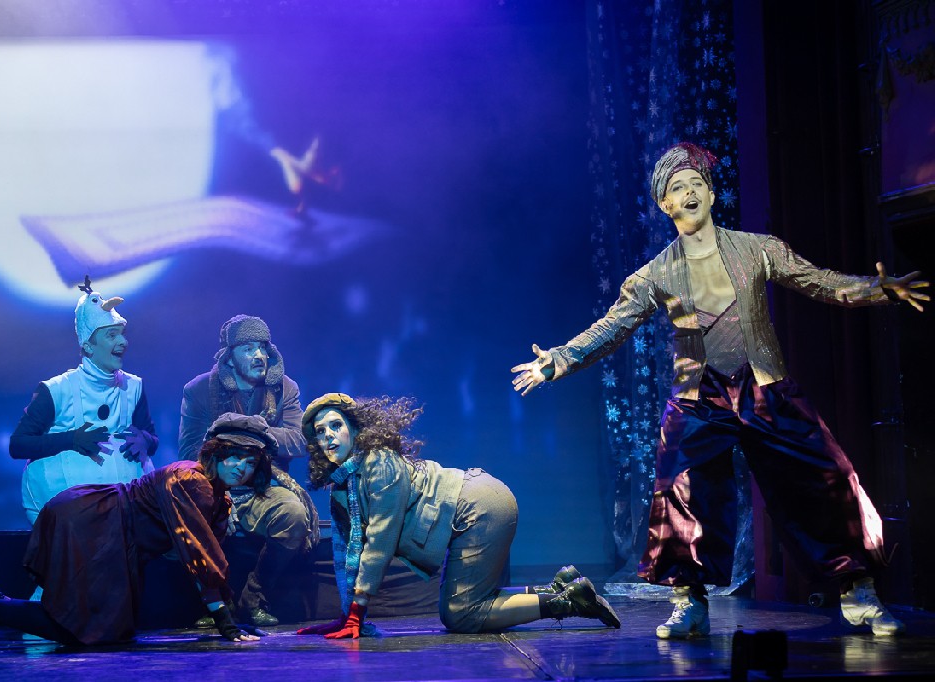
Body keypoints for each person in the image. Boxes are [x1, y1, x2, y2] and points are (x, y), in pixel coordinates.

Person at [511, 142, 929, 639]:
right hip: (698, 395)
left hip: (765, 386)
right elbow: (612, 328)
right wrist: (560, 359)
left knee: (829, 478)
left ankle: (858, 592)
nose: (688, 193)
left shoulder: (758, 249)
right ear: (664, 204)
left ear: (711, 194)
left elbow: (817, 281)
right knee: (679, 489)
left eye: (696, 184)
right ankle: (689, 602)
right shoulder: (654, 275)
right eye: (676, 188)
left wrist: (875, 289)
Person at [0, 412, 276, 649]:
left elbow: (202, 554)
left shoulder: (216, 494)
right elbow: (197, 553)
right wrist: (225, 621)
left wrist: (227, 617)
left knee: (106, 631)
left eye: (250, 463)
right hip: (96, 525)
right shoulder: (192, 481)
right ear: (217, 453)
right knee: (81, 630)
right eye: (234, 456)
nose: (241, 468)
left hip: (108, 529)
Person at [294, 393, 621, 639]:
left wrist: (357, 611)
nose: (328, 436)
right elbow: (347, 551)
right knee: (468, 604)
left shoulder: (379, 463)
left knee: (461, 614)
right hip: (472, 511)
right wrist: (347, 614)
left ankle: (569, 603)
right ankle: (560, 588)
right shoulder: (345, 485)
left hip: (478, 508)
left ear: (354, 429)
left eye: (336, 425)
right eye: (320, 432)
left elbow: (380, 538)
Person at [180, 314, 316, 626]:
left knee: (294, 514)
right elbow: (189, 451)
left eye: (262, 347)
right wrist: (244, 447)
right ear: (229, 356)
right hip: (216, 486)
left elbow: (298, 440)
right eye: (248, 348)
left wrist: (247, 433)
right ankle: (217, 604)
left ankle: (255, 597)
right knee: (193, 516)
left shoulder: (284, 388)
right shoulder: (199, 390)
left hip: (264, 486)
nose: (258, 355)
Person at [10, 276, 158, 525]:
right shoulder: (56, 390)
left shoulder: (133, 387)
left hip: (125, 519)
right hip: (64, 523)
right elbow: (18, 445)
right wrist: (71, 439)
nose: (123, 342)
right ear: (88, 346)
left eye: (122, 334)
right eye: (112, 335)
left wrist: (146, 440)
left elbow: (151, 437)